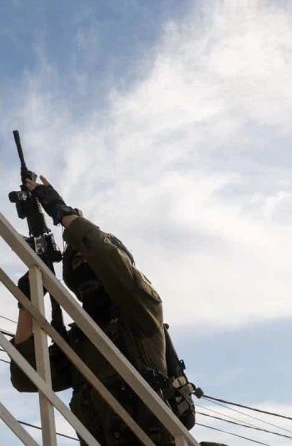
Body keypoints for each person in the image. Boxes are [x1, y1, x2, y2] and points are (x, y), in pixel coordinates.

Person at [10, 175, 179, 445]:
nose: (81, 263)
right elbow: (27, 376)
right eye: (75, 261)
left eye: (84, 257)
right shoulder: (82, 339)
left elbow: (107, 257)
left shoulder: (141, 309)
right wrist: (27, 302)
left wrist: (61, 212)